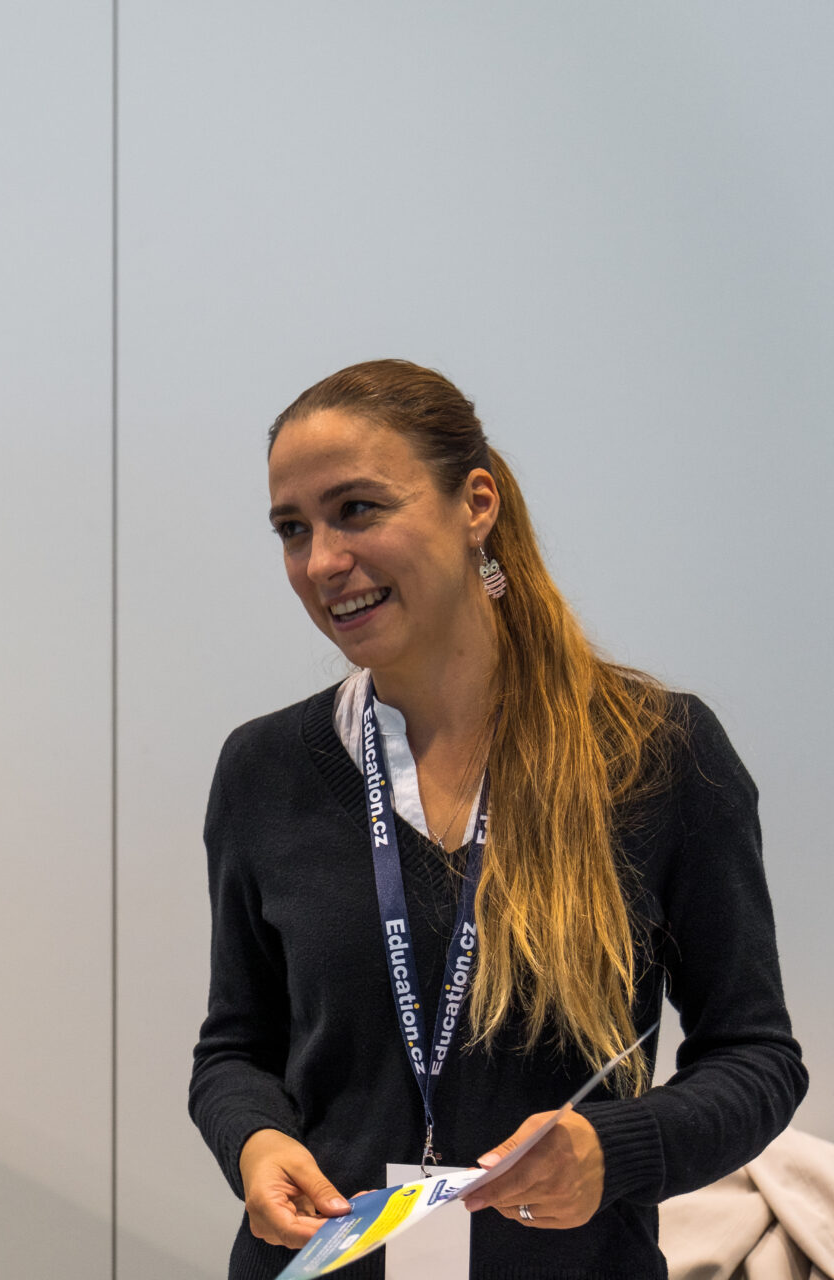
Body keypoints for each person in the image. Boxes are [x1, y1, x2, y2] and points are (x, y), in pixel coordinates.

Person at [188, 359, 806, 1279]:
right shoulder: (264, 767)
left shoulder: (655, 752)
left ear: (476, 504)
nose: (321, 563)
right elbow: (235, 1048)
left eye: (356, 509)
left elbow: (756, 1058)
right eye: (293, 529)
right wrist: (253, 1139)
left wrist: (615, 1150)